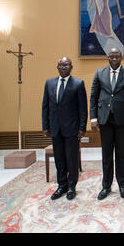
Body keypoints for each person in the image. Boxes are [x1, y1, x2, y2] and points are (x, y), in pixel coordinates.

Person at [90, 48, 124, 200]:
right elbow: (93, 96)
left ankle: (122, 185)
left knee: (121, 154)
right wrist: (93, 119)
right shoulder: (99, 73)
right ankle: (106, 186)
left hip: (122, 120)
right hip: (104, 119)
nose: (114, 58)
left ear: (121, 57)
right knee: (106, 154)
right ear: (108, 57)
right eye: (112, 56)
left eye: (117, 56)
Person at [42, 57, 88, 201]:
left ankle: (71, 187)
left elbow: (82, 108)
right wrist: (45, 126)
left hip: (72, 129)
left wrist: (82, 128)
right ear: (57, 67)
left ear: (71, 67)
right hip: (55, 128)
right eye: (61, 65)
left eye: (66, 65)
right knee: (59, 158)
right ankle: (61, 185)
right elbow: (45, 106)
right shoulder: (49, 83)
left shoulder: (78, 84)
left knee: (72, 159)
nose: (64, 67)